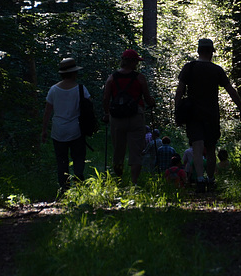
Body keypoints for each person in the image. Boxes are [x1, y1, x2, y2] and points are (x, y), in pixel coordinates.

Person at [175, 38, 241, 193]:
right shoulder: (217, 70)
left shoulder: (189, 68)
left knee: (197, 147)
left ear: (198, 51)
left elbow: (179, 91)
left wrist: (177, 109)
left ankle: (200, 180)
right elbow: (231, 91)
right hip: (211, 115)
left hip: (193, 114)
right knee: (210, 149)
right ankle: (211, 180)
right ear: (211, 52)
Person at [103, 49, 156, 184]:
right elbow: (147, 98)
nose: (137, 64)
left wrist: (107, 114)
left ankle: (119, 181)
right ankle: (134, 182)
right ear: (132, 62)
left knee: (118, 151)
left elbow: (106, 99)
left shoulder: (112, 78)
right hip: (136, 116)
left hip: (117, 118)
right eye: (136, 61)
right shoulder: (139, 78)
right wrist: (152, 103)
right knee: (136, 151)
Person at [42, 57, 90, 192]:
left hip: (58, 130)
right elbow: (89, 106)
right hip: (77, 129)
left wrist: (44, 130)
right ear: (74, 72)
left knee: (61, 160)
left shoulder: (53, 90)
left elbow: (47, 112)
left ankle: (64, 188)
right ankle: (79, 184)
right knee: (79, 157)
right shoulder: (81, 89)